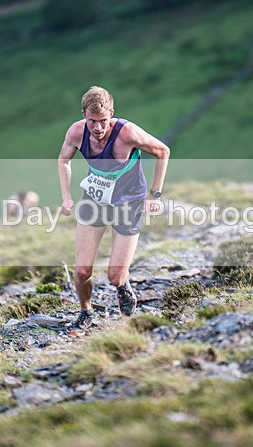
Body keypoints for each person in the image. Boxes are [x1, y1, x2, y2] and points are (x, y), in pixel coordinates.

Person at [57, 86, 170, 331]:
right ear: (83, 115)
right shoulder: (76, 132)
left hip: (129, 202)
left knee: (115, 276)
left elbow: (163, 151)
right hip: (95, 200)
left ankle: (123, 287)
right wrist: (66, 196)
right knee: (82, 271)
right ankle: (86, 313)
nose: (97, 128)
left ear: (112, 113)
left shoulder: (127, 133)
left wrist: (155, 194)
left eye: (103, 121)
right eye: (92, 121)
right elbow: (63, 160)